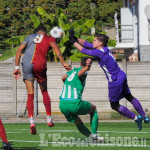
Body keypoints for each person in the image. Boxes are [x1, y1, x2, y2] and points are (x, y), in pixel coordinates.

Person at [69, 29, 149, 131]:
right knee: (129, 96)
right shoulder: (105, 49)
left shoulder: (99, 53)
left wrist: (73, 42)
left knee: (114, 105)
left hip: (115, 80)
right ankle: (144, 116)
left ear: (100, 43)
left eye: (95, 40)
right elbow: (87, 44)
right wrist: (76, 39)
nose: (93, 42)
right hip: (121, 75)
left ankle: (136, 117)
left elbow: (84, 50)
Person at [13, 25, 70, 135]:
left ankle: (31, 122)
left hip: (26, 65)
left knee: (30, 94)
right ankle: (48, 119)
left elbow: (19, 51)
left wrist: (16, 68)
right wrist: (63, 62)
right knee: (44, 91)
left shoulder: (29, 37)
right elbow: (56, 50)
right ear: (45, 32)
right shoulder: (50, 38)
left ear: (37, 32)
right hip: (39, 65)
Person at [59, 57, 104, 142]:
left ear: (80, 63)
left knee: (78, 123)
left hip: (62, 104)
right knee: (93, 109)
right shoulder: (83, 71)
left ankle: (92, 138)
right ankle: (94, 135)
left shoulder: (71, 72)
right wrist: (88, 67)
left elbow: (63, 77)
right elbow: (80, 74)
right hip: (74, 103)